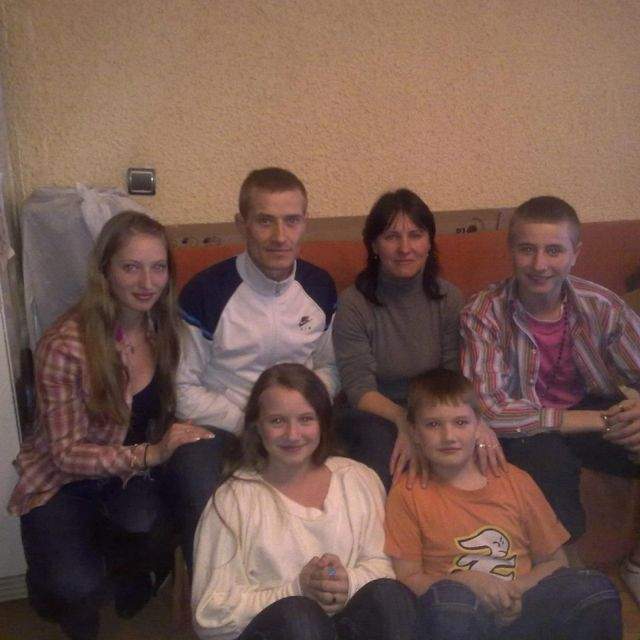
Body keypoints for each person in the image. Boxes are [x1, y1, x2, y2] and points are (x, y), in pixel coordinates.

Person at [7, 211, 213, 640]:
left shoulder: (164, 327)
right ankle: (57, 586)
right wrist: (150, 454)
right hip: (64, 479)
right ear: (105, 271)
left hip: (128, 475)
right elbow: (65, 454)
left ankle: (125, 575)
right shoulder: (66, 344)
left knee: (152, 524)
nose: (147, 282)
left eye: (158, 267)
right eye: (131, 267)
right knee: (73, 588)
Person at [460, 196, 640, 593]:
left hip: (591, 408)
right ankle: (567, 581)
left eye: (554, 250)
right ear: (511, 250)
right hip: (524, 422)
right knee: (548, 465)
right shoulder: (484, 313)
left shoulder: (602, 306)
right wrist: (596, 420)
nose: (540, 264)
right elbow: (490, 409)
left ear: (576, 254)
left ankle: (636, 566)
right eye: (527, 249)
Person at [169, 167, 338, 569]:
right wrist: (252, 424)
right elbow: (182, 388)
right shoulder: (206, 292)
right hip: (225, 427)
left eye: (291, 221)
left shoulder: (320, 287)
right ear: (241, 224)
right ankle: (215, 593)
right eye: (265, 221)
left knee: (364, 456)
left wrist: (300, 419)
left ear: (305, 223)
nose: (280, 236)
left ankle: (333, 578)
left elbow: (330, 366)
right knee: (195, 479)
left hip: (301, 425)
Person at [385, 368, 622, 640]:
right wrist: (464, 583)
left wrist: (515, 590)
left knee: (595, 590)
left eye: (461, 422)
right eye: (433, 425)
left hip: (521, 604)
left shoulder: (515, 481)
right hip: (457, 613)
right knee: (452, 605)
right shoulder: (407, 492)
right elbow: (408, 578)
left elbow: (554, 561)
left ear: (479, 426)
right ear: (414, 432)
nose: (449, 436)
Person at [191, 363, 416, 640]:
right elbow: (211, 614)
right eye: (277, 421)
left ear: (322, 423)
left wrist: (348, 583)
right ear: (257, 427)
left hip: (346, 624)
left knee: (389, 596)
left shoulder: (358, 479)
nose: (293, 434)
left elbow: (384, 567)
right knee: (300, 616)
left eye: (306, 419)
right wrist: (297, 590)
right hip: (282, 630)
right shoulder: (233, 501)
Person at [333, 188, 502, 490]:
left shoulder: (448, 298)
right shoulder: (354, 303)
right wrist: (405, 421)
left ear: (429, 242)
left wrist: (471, 422)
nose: (405, 248)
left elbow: (454, 376)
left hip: (437, 406)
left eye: (415, 235)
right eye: (391, 237)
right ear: (374, 245)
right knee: (384, 453)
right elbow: (358, 389)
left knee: (484, 451)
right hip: (376, 412)